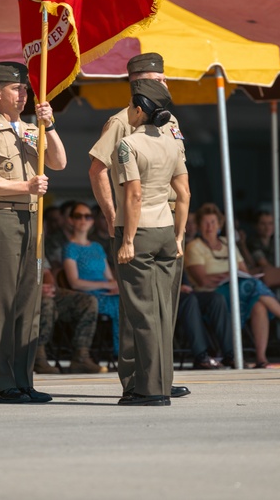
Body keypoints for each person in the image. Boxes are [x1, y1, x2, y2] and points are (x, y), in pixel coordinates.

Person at [88, 53, 189, 402]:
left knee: (164, 307)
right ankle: (136, 379)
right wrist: (111, 213)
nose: (164, 85)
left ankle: (159, 376)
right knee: (138, 311)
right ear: (137, 84)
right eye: (156, 80)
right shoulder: (121, 122)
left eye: (163, 79)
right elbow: (97, 169)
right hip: (138, 220)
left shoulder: (168, 119)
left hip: (167, 219)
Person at [0, 61, 67, 404]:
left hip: (31, 219)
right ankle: (0, 382)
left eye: (25, 89)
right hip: (5, 218)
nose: (23, 94)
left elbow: (59, 162)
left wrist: (48, 126)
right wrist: (24, 184)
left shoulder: (28, 128)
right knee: (3, 304)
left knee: (29, 303)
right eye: (16, 89)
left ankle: (23, 379)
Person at [114, 79, 190, 406]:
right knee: (162, 312)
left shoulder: (129, 145)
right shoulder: (172, 143)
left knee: (142, 314)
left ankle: (149, 389)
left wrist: (127, 240)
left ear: (141, 109)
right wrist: (180, 236)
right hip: (166, 229)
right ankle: (163, 383)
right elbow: (184, 194)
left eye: (133, 105)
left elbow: (133, 195)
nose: (130, 111)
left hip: (141, 230)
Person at [185, 203, 280, 368]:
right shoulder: (194, 247)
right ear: (199, 225)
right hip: (212, 296)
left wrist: (227, 276)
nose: (209, 226)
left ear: (219, 224)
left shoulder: (227, 243)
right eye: (205, 222)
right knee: (252, 285)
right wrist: (229, 275)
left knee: (259, 304)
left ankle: (261, 358)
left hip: (238, 291)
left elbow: (244, 271)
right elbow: (203, 280)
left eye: (213, 222)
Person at [62, 201, 120, 356]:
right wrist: (107, 285)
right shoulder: (70, 248)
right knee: (122, 305)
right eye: (78, 216)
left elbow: (109, 277)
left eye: (87, 216)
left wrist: (114, 287)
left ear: (92, 220)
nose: (83, 220)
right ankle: (122, 352)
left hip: (105, 293)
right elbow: (74, 283)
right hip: (88, 297)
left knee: (130, 301)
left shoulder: (97, 247)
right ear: (71, 220)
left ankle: (132, 351)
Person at [35, 255, 100, 374]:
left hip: (45, 293)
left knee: (88, 301)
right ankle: (38, 357)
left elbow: (46, 273)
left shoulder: (36, 243)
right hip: (25, 295)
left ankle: (81, 356)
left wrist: (49, 287)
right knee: (46, 304)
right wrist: (37, 290)